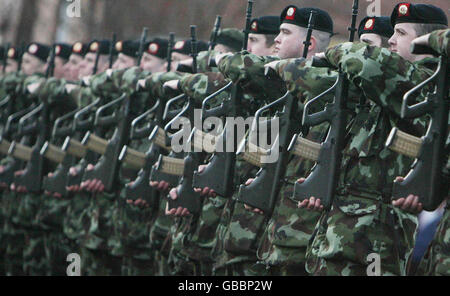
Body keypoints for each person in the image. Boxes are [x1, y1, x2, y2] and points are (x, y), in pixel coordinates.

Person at [297, 2, 447, 275]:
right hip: (342, 235)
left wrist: (330, 53)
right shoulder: (389, 88)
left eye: (401, 33)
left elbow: (361, 59)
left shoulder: (422, 83)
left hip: (375, 240)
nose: (391, 40)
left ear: (426, 42)